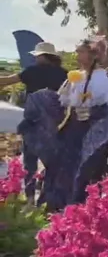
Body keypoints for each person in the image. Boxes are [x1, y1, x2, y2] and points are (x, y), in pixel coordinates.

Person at [18, 38, 108, 210]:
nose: (76, 55)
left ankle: (81, 210)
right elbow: (60, 99)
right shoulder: (74, 77)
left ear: (93, 54)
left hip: (94, 132)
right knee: (62, 168)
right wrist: (40, 101)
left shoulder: (106, 77)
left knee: (87, 171)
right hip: (73, 130)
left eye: (80, 51)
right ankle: (59, 208)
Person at [0, 42, 67, 203]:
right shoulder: (64, 74)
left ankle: (29, 198)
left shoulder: (32, 71)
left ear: (44, 56)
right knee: (51, 163)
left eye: (37, 56)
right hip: (54, 124)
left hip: (32, 122)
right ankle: (46, 198)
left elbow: (7, 81)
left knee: (29, 162)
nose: (36, 59)